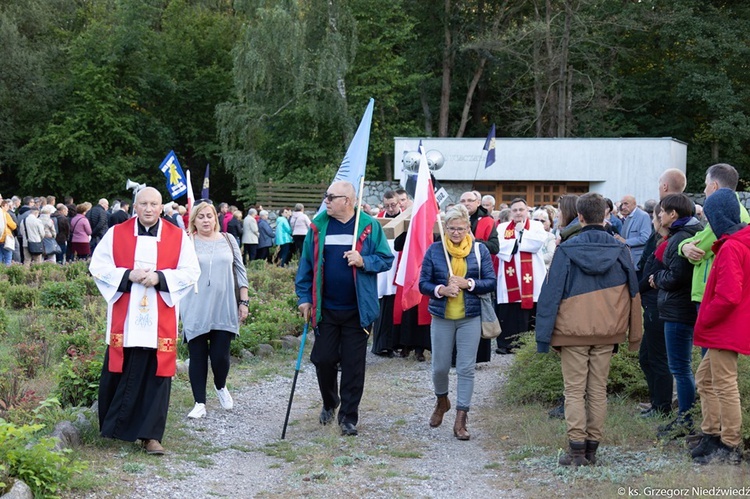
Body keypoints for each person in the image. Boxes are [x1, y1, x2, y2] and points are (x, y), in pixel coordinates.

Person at [89, 187, 200, 456]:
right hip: (126, 321)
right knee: (122, 368)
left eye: (154, 204)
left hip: (159, 321)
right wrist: (128, 275)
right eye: (143, 204)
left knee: (157, 376)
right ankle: (116, 429)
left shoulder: (178, 237)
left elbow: (191, 271)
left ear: (162, 207)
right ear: (134, 207)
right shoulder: (117, 234)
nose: (148, 209)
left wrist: (160, 278)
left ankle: (151, 436)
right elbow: (98, 266)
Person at [536, 192, 642, 466]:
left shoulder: (567, 249)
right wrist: (634, 334)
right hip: (607, 330)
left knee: (573, 390)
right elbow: (634, 292)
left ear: (580, 217)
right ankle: (592, 450)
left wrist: (543, 338)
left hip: (571, 331)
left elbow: (551, 293)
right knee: (597, 389)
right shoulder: (621, 249)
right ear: (606, 214)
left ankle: (576, 450)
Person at [295, 181, 394, 436]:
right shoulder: (318, 227)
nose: (325, 201)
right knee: (323, 359)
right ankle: (330, 402)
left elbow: (385, 259)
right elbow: (306, 265)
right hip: (325, 309)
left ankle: (348, 418)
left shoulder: (369, 226)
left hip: (358, 310)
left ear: (347, 201)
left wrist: (364, 261)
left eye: (330, 197)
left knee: (353, 365)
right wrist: (304, 297)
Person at [419, 204, 495, 440]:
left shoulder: (479, 251)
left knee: (465, 368)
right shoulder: (435, 250)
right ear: (445, 228)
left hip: (469, 317)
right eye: (451, 228)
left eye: (460, 228)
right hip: (442, 317)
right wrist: (441, 289)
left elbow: (491, 281)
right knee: (440, 367)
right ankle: (442, 400)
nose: (456, 233)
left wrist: (468, 284)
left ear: (468, 228)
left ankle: (462, 417)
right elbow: (423, 283)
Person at [691, 188, 748, 465]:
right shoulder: (739, 241)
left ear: (717, 216)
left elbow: (727, 296)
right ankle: (712, 434)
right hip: (729, 326)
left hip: (725, 327)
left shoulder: (732, 247)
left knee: (724, 385)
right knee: (706, 379)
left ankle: (730, 444)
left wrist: (705, 318)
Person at [181, 201, 249, 419]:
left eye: (209, 216)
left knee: (220, 355)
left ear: (216, 218)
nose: (206, 220)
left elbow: (240, 270)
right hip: (195, 305)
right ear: (194, 221)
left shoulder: (228, 240)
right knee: (198, 355)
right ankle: (199, 402)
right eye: (200, 217)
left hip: (224, 304)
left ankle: (220, 386)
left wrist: (244, 301)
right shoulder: (187, 242)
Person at [648, 193, 702, 438]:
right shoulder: (690, 233)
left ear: (673, 214)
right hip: (683, 307)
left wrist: (656, 279)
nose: (659, 215)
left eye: (662, 211)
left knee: (679, 368)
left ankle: (685, 419)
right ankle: (685, 416)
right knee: (682, 367)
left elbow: (676, 276)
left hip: (677, 310)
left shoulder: (681, 237)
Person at [678, 164, 750, 310]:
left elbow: (699, 248)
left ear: (714, 186)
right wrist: (683, 247)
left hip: (713, 291)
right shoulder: (735, 208)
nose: (704, 190)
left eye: (706, 185)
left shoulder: (723, 213)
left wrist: (683, 247)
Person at [495, 198, 547, 354]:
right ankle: (506, 344)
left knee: (529, 310)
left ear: (527, 211)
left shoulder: (536, 225)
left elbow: (537, 244)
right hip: (509, 275)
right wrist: (517, 241)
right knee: (509, 310)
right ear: (511, 212)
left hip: (533, 276)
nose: (518, 213)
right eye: (515, 210)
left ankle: (527, 345)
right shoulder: (502, 227)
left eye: (521, 210)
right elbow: (499, 246)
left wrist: (521, 232)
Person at [637, 204, 673, 418]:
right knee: (646, 358)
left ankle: (663, 407)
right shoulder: (657, 240)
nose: (652, 220)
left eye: (654, 216)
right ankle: (656, 402)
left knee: (658, 359)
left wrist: (634, 288)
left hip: (658, 304)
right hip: (651, 302)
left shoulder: (666, 244)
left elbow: (651, 276)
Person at [615, 195, 652, 278]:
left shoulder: (643, 216)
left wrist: (625, 241)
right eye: (622, 204)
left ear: (634, 203)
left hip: (637, 263)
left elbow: (645, 238)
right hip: (627, 261)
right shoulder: (628, 216)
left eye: (626, 204)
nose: (623, 207)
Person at [0, 199, 17, 266]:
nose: (8, 208)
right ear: (4, 206)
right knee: (8, 256)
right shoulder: (5, 214)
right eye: (7, 206)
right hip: (5, 238)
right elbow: (13, 226)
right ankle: (7, 272)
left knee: (0, 256)